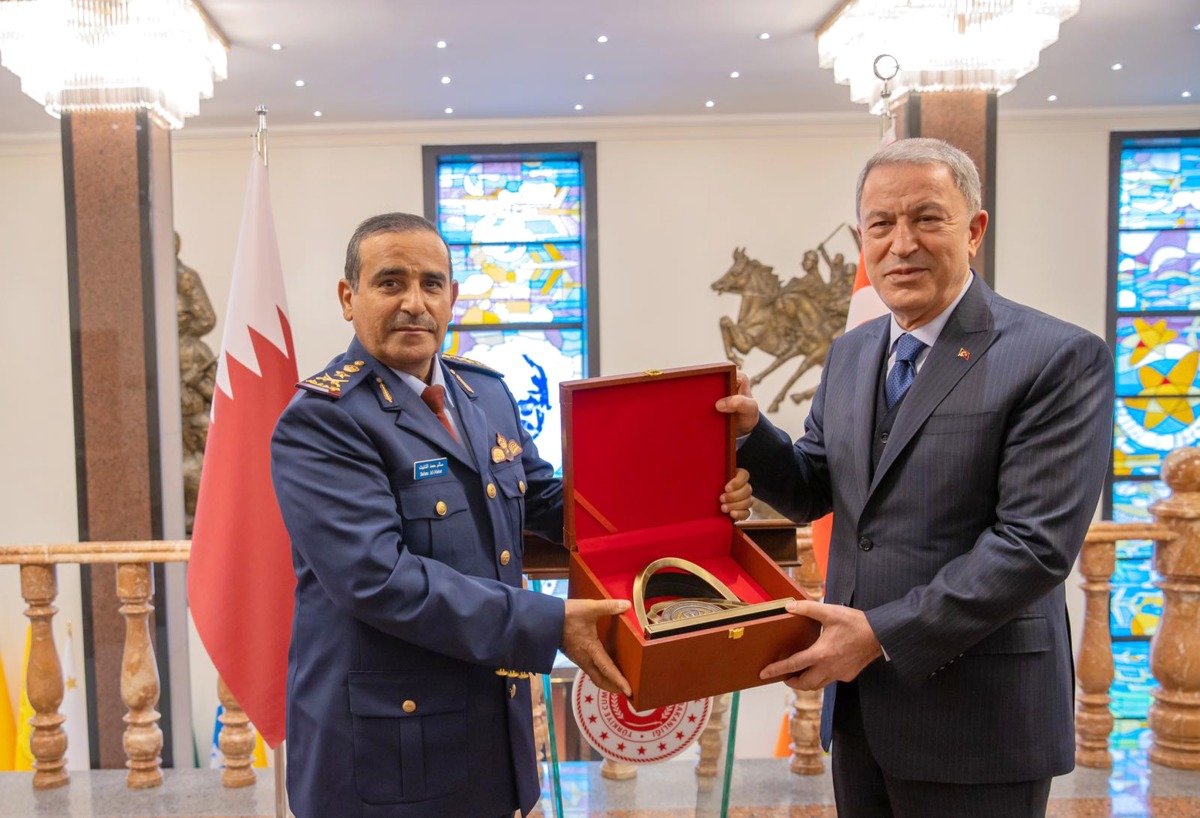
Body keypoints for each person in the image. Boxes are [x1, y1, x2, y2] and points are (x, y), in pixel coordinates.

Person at [271, 212, 753, 818]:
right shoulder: (325, 418)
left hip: (489, 728)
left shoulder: (484, 394)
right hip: (388, 742)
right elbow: (377, 579)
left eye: (432, 284)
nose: (414, 303)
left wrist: (694, 495)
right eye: (390, 283)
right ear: (349, 297)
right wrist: (549, 623)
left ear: (452, 298)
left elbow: (548, 502)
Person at [717, 139, 1113, 818]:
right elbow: (818, 484)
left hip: (980, 718)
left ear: (974, 230)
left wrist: (878, 633)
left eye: (927, 219)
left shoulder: (1056, 357)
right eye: (880, 224)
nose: (902, 244)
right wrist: (752, 436)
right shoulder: (852, 352)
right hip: (864, 713)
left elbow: (1034, 546)